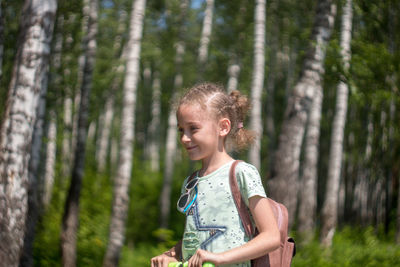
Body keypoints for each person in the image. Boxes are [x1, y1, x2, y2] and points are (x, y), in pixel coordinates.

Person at [151, 83, 280, 267]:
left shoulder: (241, 173)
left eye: (193, 128)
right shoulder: (190, 183)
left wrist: (220, 258)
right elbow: (196, 239)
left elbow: (272, 237)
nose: (184, 138)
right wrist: (171, 254)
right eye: (181, 130)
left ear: (223, 127)